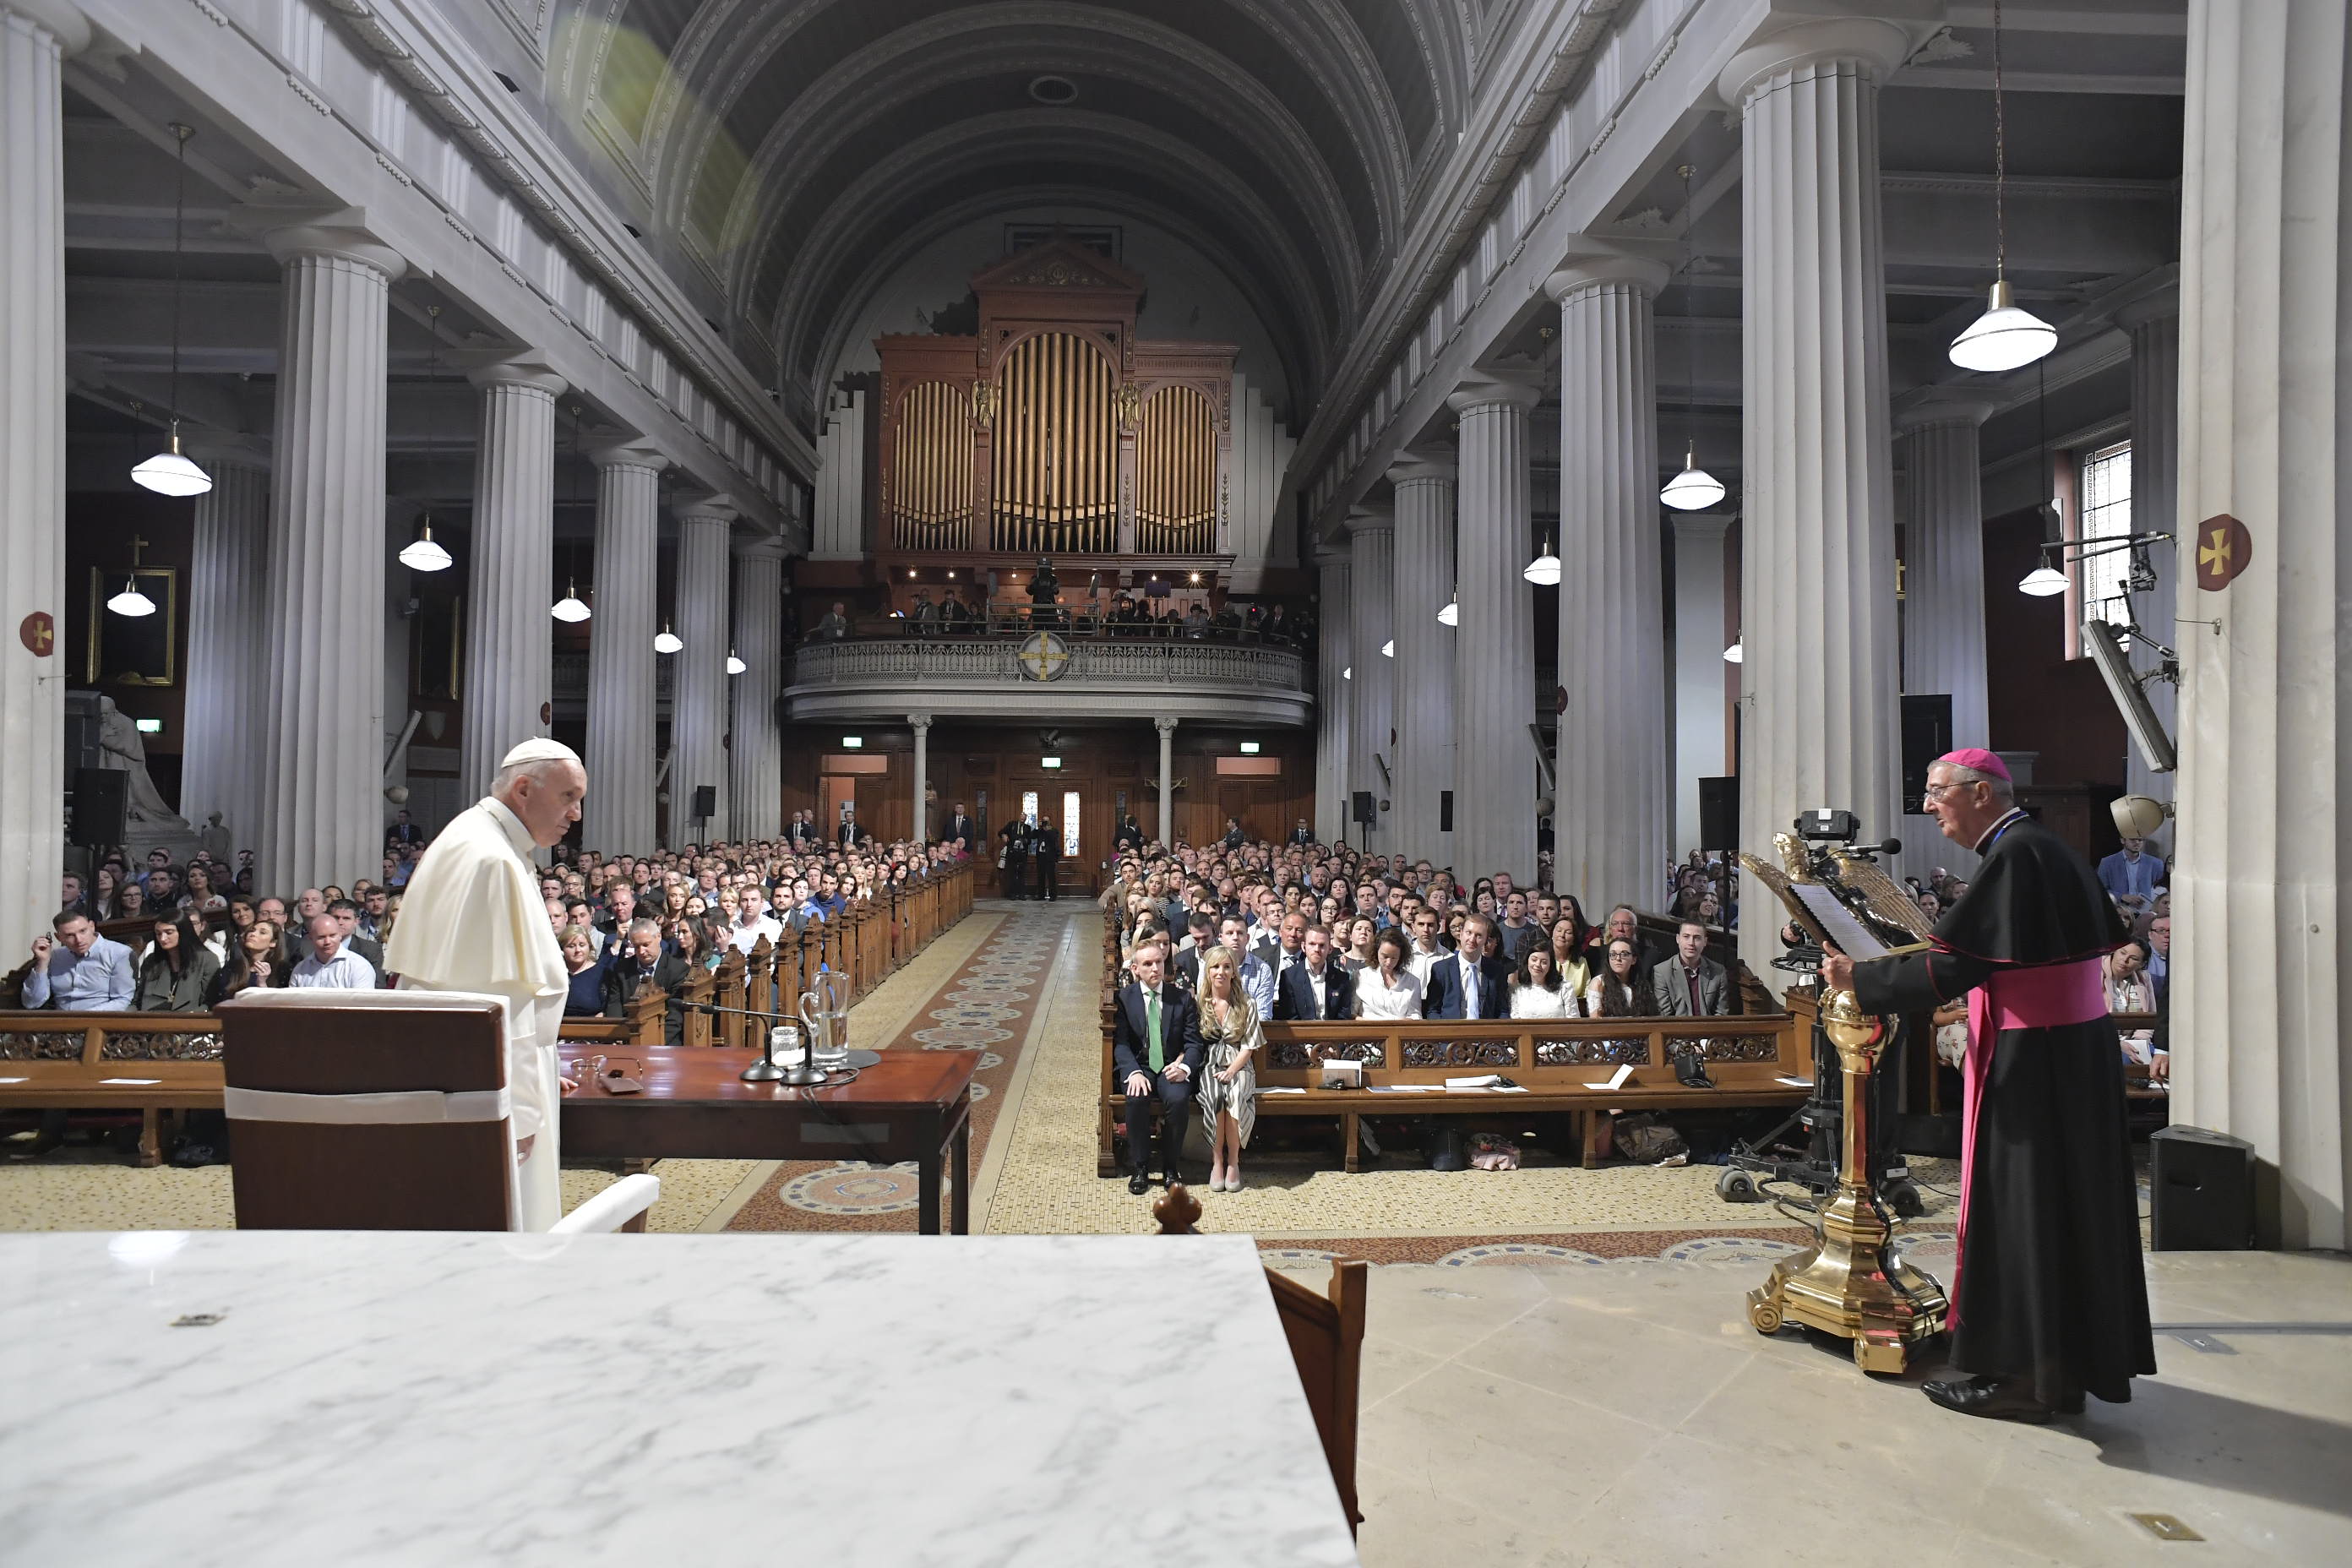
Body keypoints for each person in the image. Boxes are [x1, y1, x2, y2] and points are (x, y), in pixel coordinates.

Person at [1821, 749, 2153, 1422]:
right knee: (2063, 1210)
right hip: (2065, 1054)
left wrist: (1862, 979)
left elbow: (1954, 969)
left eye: (1936, 791)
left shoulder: (2016, 856)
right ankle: (2058, 1367)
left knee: (2024, 1208)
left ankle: (2023, 1380)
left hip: (2036, 1061)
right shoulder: (2035, 848)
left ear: (1980, 792)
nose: (1927, 806)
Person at [384, 738, 585, 1233]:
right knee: (511, 1216)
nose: (576, 814)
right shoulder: (493, 858)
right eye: (568, 797)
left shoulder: (475, 836)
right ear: (523, 789)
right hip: (493, 1082)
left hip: (472, 1070)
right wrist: (520, 1106)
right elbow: (504, 1003)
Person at [1111, 939, 1202, 1195]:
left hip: (1172, 1065)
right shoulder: (1124, 999)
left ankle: (1171, 1167)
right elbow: (1120, 1043)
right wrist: (1132, 1072)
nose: (1155, 968)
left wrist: (1185, 1068)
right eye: (1148, 964)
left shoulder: (1181, 998)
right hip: (1140, 1065)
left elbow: (1194, 1043)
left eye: (1159, 962)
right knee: (1136, 1096)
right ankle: (1140, 1166)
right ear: (1135, 969)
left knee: (1178, 1098)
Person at [1193, 945, 1262, 1193]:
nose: (1220, 972)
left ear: (1234, 971)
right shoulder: (1199, 1004)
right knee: (1215, 1096)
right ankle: (1217, 1162)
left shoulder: (1247, 1004)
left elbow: (1249, 1046)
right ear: (1208, 971)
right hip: (1210, 1064)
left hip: (1239, 1065)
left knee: (1234, 1094)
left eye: (1226, 966)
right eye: (1215, 967)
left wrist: (1232, 1070)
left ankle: (1234, 1161)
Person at [24, 910, 133, 1011]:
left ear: (92, 926)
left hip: (99, 1021)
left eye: (83, 931)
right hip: (59, 1022)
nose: (79, 940)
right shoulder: (56, 956)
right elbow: (31, 1003)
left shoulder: (118, 953)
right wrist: (43, 962)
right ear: (58, 937)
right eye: (70, 935)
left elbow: (122, 1000)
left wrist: (84, 1017)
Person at [604, 918, 689, 1045]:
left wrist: (651, 1042)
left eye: (646, 945)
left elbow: (675, 1017)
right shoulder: (621, 969)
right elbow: (614, 1007)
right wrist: (619, 1036)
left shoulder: (678, 970)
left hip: (664, 1041)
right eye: (636, 946)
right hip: (627, 1039)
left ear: (658, 937)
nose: (641, 951)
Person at [1424, 913, 1511, 1020]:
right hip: (1450, 1029)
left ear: (1485, 940)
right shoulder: (1441, 969)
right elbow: (1433, 1011)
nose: (1472, 939)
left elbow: (1502, 1010)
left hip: (1485, 1029)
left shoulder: (1496, 970)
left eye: (1479, 935)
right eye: (1469, 933)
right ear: (1461, 934)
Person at [133, 915, 219, 1012]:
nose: (162, 938)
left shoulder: (207, 960)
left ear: (183, 932)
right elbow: (138, 1001)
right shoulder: (151, 961)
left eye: (169, 933)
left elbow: (211, 1002)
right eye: (158, 933)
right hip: (152, 1018)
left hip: (190, 1019)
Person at [1653, 921, 1739, 1016]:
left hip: (1709, 1025)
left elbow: (1721, 1012)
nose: (1691, 943)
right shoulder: (1662, 971)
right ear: (1678, 939)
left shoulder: (1718, 971)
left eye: (1697, 938)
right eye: (1686, 936)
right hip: (1677, 1025)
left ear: (1705, 942)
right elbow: (1665, 1015)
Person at [1275, 923, 1355, 1021]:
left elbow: (1343, 1017)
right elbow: (1289, 1016)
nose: (1317, 949)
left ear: (1330, 949)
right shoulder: (1289, 976)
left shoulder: (1342, 979)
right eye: (1312, 944)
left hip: (1333, 1029)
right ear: (1303, 947)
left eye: (1322, 945)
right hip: (1300, 1030)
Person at [2104, 939, 2161, 1075]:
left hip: (2135, 1042)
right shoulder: (2096, 975)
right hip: (2106, 1041)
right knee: (2124, 1059)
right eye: (2122, 953)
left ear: (2142, 964)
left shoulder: (2144, 979)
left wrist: (2139, 1042)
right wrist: (2118, 1044)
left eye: (2133, 958)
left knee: (2161, 1059)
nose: (2125, 960)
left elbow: (2149, 1017)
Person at [210, 918, 287, 1005]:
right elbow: (217, 999)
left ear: (273, 943)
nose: (253, 934)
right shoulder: (233, 967)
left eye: (262, 932)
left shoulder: (282, 970)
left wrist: (262, 983)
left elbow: (280, 1005)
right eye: (252, 930)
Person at [291, 913, 378, 988]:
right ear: (311, 938)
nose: (327, 942)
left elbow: (362, 1002)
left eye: (332, 936)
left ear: (340, 935)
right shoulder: (300, 970)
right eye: (321, 937)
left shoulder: (359, 967)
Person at [1353, 928, 1423, 1020]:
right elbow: (1352, 1013)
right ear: (1376, 951)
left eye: (1394, 957)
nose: (1389, 962)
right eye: (1385, 956)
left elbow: (1415, 1015)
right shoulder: (1361, 976)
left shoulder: (1413, 981)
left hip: (1400, 1027)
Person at [2095, 834, 2162, 917]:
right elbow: (2099, 890)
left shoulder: (2155, 863)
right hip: (2118, 913)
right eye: (2133, 839)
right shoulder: (2107, 863)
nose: (2137, 842)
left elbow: (2161, 891)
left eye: (2140, 840)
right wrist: (2122, 896)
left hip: (2146, 914)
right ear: (2123, 840)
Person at [1509, 945, 1573, 1019]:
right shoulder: (1518, 990)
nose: (1538, 965)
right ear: (1527, 961)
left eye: (1544, 962)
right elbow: (1515, 1021)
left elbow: (1573, 1021)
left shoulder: (1565, 988)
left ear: (1550, 966)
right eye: (1534, 960)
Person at [558, 927, 607, 1016]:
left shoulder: (601, 972)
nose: (578, 950)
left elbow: (610, 1004)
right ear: (562, 949)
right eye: (571, 946)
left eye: (582, 945)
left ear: (589, 947)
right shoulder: (556, 973)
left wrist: (603, 1014)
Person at [1031, 815, 1059, 901]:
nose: (1045, 823)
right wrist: (1038, 827)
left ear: (1050, 822)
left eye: (1046, 821)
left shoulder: (1054, 830)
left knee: (1051, 877)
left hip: (1050, 857)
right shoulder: (1040, 831)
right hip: (1041, 856)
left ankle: (1053, 896)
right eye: (1043, 821)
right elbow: (1032, 836)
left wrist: (1047, 830)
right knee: (1040, 876)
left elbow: (1053, 839)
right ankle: (1041, 895)